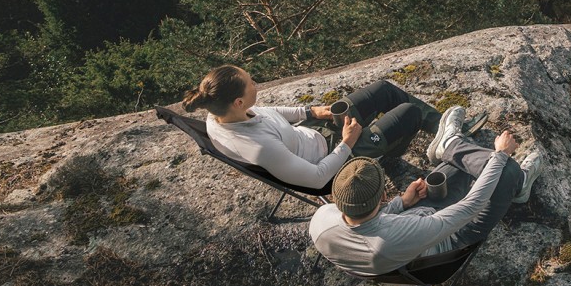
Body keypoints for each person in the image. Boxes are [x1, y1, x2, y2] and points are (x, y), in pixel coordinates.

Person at [310, 106, 545, 276]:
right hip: (450, 245)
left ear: (337, 200)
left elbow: (365, 224)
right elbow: (472, 206)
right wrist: (501, 154)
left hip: (403, 249)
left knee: (460, 165)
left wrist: (401, 203)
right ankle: (518, 183)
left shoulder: (320, 221)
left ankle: (450, 145)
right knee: (506, 170)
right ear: (382, 196)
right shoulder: (401, 233)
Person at [181, 64, 476, 191]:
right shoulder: (260, 147)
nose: (256, 84)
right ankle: (406, 150)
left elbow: (267, 112)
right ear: (238, 101)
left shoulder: (219, 113)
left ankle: (447, 130)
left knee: (384, 89)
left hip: (314, 132)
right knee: (409, 113)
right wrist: (348, 142)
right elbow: (317, 179)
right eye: (251, 84)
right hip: (336, 160)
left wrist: (311, 111)